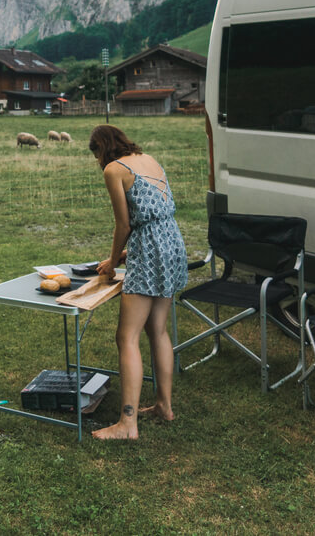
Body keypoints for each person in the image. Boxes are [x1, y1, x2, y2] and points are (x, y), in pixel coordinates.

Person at [87, 124, 187, 440]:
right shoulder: (149, 158)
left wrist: (112, 263)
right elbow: (154, 217)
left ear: (101, 149)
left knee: (126, 337)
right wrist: (121, 257)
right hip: (172, 243)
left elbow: (123, 224)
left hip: (150, 249)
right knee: (157, 330)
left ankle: (127, 424)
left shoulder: (114, 169)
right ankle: (164, 406)